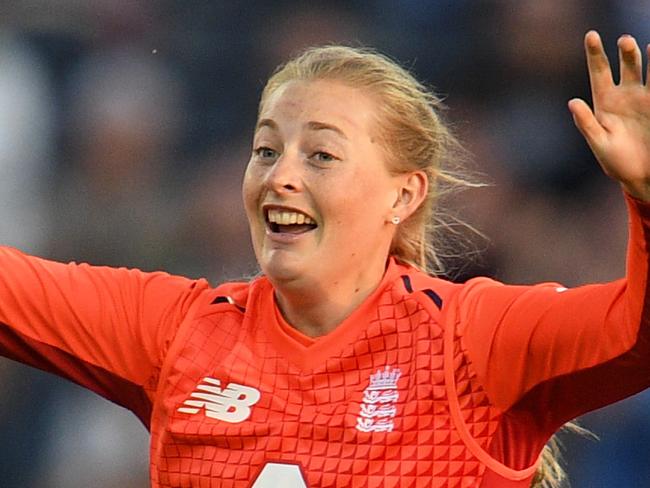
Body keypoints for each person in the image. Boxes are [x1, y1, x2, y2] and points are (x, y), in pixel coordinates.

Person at [0, 30, 649, 487]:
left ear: (404, 192)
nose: (281, 176)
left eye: (321, 155)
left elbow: (636, 335)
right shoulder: (181, 333)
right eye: (264, 150)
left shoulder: (473, 340)